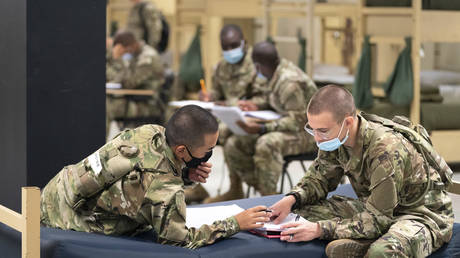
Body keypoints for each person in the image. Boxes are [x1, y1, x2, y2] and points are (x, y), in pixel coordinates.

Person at [40, 105, 271, 249]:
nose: (209, 154)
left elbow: (144, 166)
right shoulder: (166, 190)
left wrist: (185, 172)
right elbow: (178, 240)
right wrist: (235, 223)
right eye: (207, 150)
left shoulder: (151, 131)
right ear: (182, 150)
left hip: (56, 191)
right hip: (66, 221)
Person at [269, 85, 454, 257]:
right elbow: (319, 179)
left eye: (323, 131)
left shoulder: (385, 149)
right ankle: (366, 237)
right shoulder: (335, 138)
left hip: (419, 214)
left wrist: (320, 230)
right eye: (313, 129)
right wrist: (292, 199)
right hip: (376, 206)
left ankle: (372, 241)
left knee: (381, 252)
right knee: (301, 213)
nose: (317, 139)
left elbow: (378, 218)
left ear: (348, 122)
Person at [204, 41, 318, 203]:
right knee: (234, 143)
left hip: (310, 134)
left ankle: (269, 200)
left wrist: (263, 128)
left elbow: (299, 121)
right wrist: (257, 106)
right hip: (287, 127)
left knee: (267, 143)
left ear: (257, 66)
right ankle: (260, 190)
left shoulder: (289, 82)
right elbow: (274, 102)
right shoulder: (273, 73)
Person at [186, 24, 268, 204]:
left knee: (221, 133)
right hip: (226, 115)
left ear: (244, 42)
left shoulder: (258, 63)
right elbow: (218, 93)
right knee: (188, 129)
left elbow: (265, 97)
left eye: (233, 45)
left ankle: (239, 189)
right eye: (225, 47)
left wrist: (232, 104)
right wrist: (209, 96)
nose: (230, 51)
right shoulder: (221, 67)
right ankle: (194, 184)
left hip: (253, 118)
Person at [106, 30, 166, 130]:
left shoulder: (147, 57)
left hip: (150, 104)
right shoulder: (135, 55)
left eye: (123, 50)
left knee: (107, 108)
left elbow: (129, 83)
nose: (124, 54)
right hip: (136, 99)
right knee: (104, 102)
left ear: (129, 47)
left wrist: (119, 59)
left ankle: (100, 144)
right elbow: (119, 79)